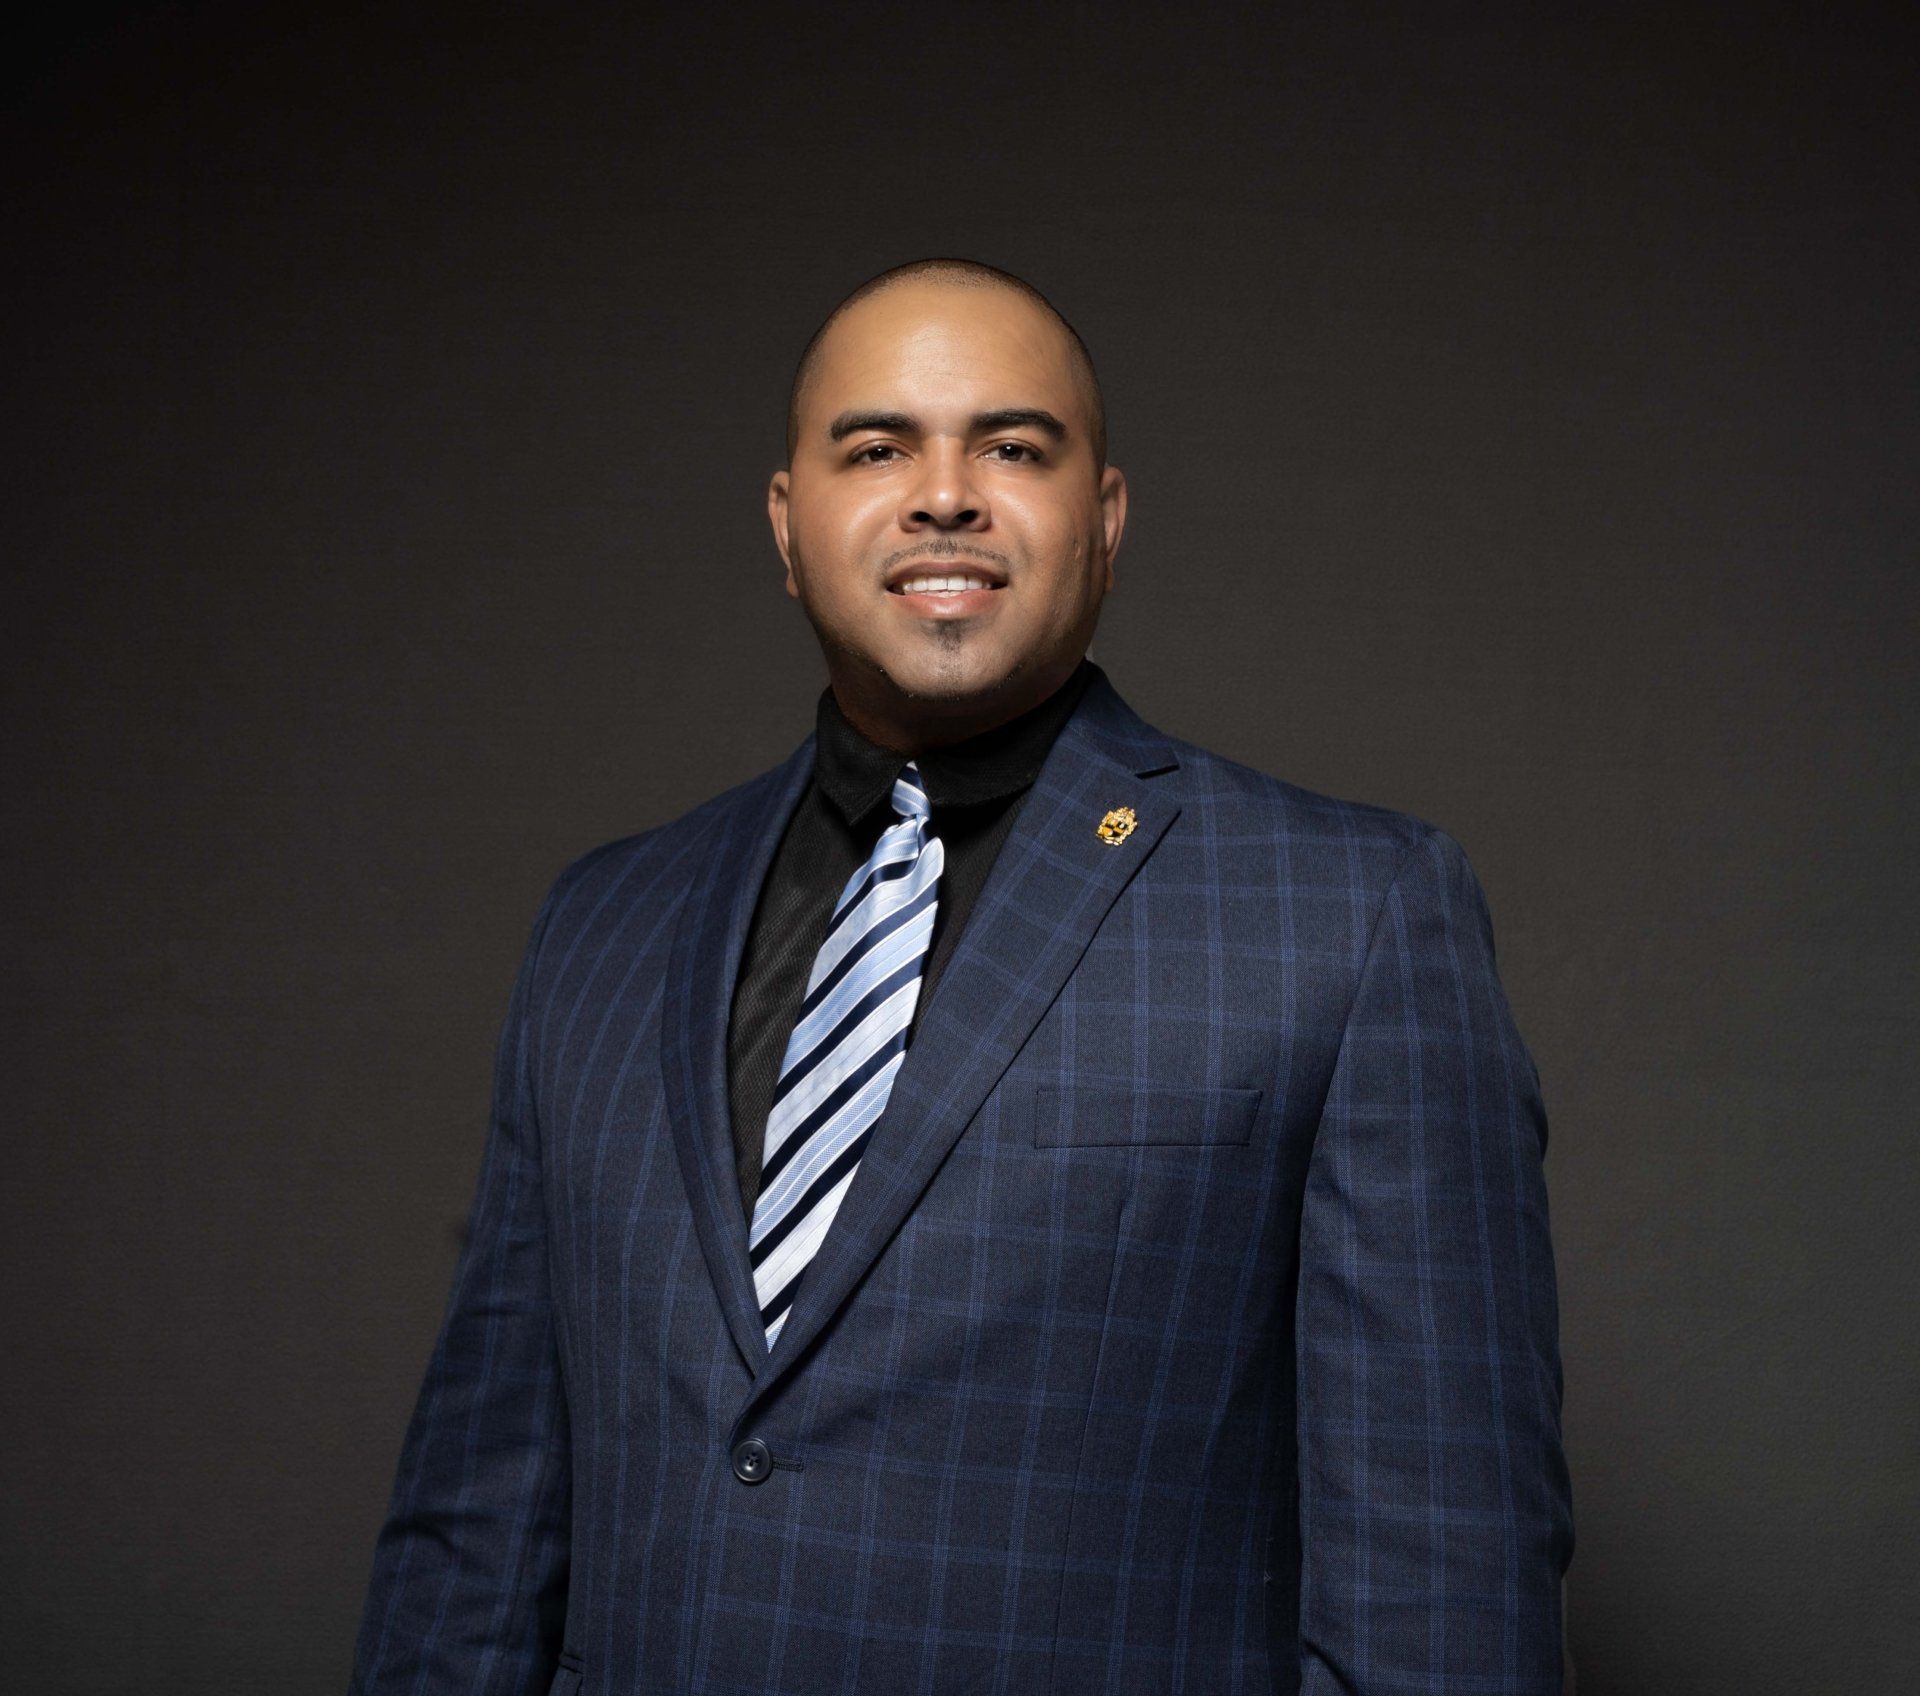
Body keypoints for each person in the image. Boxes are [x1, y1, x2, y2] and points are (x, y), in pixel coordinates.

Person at [349, 258, 1574, 1695]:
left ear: (1105, 523)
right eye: (875, 449)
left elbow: (1445, 1592)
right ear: (787, 525)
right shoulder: (602, 925)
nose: (945, 494)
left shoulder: (1349, 915)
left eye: (1013, 447)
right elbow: (476, 1531)